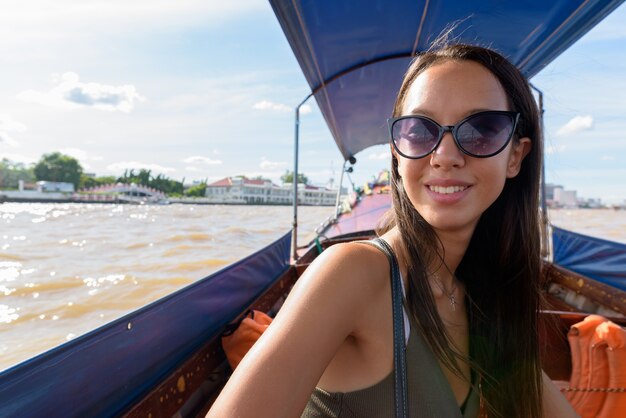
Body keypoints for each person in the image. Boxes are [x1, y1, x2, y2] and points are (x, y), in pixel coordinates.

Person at [208, 43, 579, 418]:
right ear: (398, 154)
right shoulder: (353, 274)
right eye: (420, 131)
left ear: (515, 155)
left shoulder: (482, 299)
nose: (445, 156)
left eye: (481, 129)